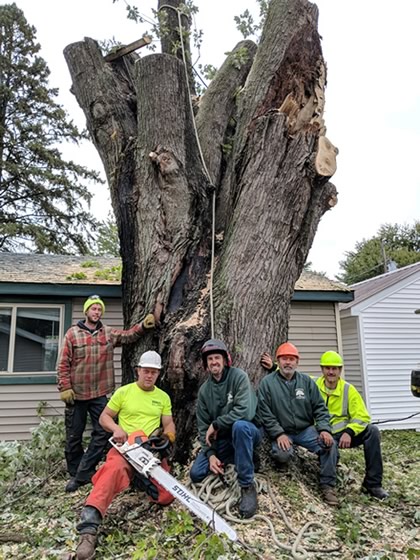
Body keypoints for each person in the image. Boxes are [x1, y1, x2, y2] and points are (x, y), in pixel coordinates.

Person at [75, 350, 176, 560]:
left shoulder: (162, 397)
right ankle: (88, 528)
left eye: (154, 372)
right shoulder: (124, 392)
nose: (149, 376)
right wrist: (116, 429)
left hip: (148, 451)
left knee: (166, 495)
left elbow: (168, 423)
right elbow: (104, 417)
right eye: (146, 371)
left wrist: (169, 437)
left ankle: (138, 479)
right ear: (138, 370)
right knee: (112, 470)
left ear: (158, 374)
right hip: (125, 448)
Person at [57, 294, 156, 492]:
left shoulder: (107, 333)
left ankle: (85, 471)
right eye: (93, 308)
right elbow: (63, 363)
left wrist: (143, 326)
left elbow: (128, 335)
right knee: (74, 436)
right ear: (86, 311)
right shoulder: (72, 334)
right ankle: (76, 473)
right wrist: (64, 387)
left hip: (99, 394)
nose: (97, 312)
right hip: (76, 395)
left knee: (103, 433)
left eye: (99, 309)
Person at [258, 342, 339, 506]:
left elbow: (320, 408)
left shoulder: (307, 382)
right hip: (283, 431)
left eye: (291, 359)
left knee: (330, 445)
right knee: (282, 454)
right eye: (284, 359)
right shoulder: (267, 383)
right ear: (278, 361)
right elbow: (264, 412)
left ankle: (327, 486)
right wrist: (278, 433)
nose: (288, 362)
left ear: (297, 362)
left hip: (305, 430)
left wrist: (324, 429)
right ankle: (282, 463)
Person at [190, 339, 261, 518]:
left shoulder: (239, 377)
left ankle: (247, 485)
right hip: (223, 440)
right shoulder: (205, 391)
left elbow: (245, 412)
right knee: (196, 473)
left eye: (217, 358)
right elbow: (202, 427)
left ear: (225, 359)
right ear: (206, 364)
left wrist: (217, 424)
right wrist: (211, 454)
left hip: (246, 431)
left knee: (239, 426)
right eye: (210, 359)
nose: (214, 362)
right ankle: (242, 457)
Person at [316, 350, 388, 500]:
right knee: (329, 445)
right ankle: (327, 486)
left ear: (340, 371)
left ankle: (373, 484)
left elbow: (362, 416)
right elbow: (293, 374)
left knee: (372, 431)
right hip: (323, 433)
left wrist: (349, 432)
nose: (331, 372)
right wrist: (273, 367)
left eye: (334, 368)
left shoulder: (349, 390)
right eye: (327, 368)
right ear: (322, 369)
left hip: (344, 435)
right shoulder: (313, 385)